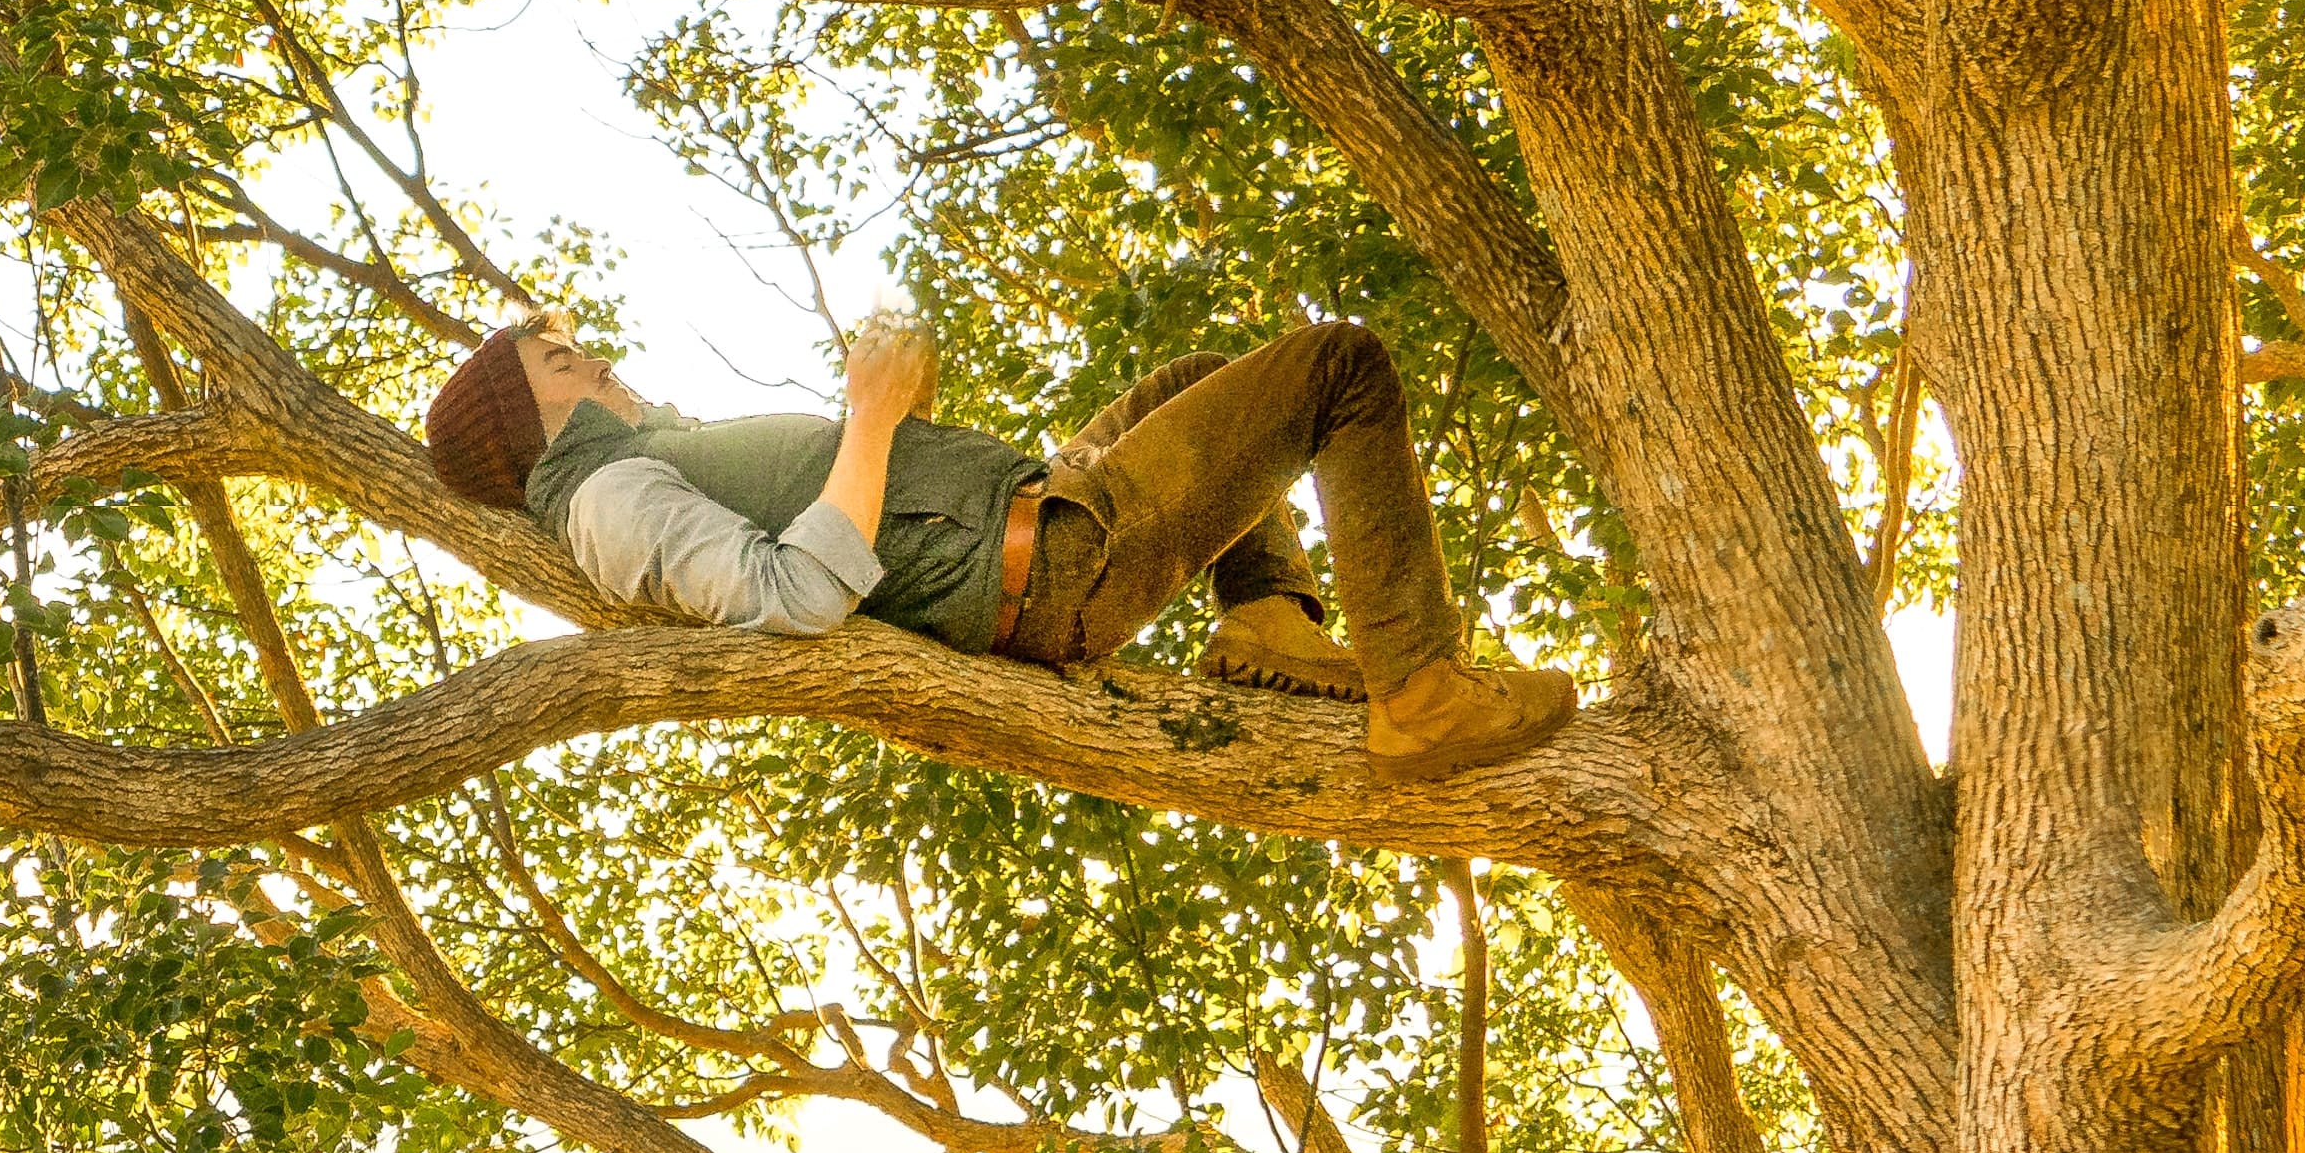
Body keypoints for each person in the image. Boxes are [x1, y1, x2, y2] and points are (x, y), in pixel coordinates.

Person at [413, 305, 1580, 773]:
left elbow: (850, 515)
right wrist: (869, 418)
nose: (595, 355)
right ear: (531, 418)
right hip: (1050, 568)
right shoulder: (610, 499)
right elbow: (793, 594)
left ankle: (1268, 617)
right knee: (1339, 366)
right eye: (561, 361)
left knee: (1201, 377)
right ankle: (1418, 690)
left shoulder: (644, 457)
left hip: (1037, 516)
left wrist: (895, 423)